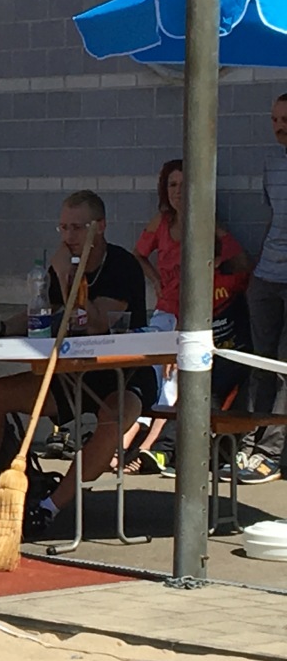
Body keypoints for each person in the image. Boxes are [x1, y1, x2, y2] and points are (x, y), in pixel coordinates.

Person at [0, 191, 156, 536]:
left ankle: (48, 508)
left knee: (112, 417)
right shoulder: (60, 265)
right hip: (75, 375)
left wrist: (65, 277)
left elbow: (96, 324)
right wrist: (2, 327)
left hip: (125, 373)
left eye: (77, 228)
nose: (69, 236)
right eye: (63, 228)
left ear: (100, 227)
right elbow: (42, 313)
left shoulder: (121, 266)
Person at [123, 158, 251, 474]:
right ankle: (124, 443)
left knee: (175, 379)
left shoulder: (206, 224)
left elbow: (242, 264)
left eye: (184, 185)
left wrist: (218, 260)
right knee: (149, 371)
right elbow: (138, 254)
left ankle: (152, 447)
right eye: (172, 185)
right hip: (166, 312)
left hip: (194, 317)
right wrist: (155, 280)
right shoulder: (161, 222)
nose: (178, 191)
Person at [234, 93, 287, 484]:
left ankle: (270, 452)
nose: (279, 127)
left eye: (285, 119)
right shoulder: (272, 163)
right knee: (261, 363)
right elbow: (273, 218)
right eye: (275, 120)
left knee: (284, 365)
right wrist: (256, 270)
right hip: (267, 275)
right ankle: (249, 441)